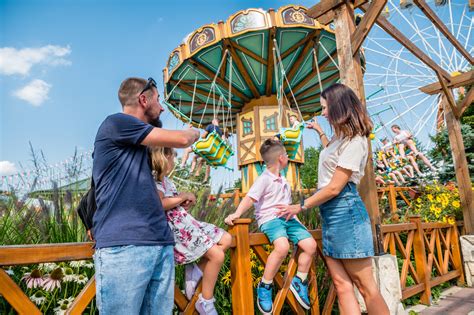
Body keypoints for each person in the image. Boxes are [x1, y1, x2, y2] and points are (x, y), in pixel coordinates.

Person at [277, 83, 389, 315]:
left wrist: (300, 206)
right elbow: (331, 157)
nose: (324, 112)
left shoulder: (356, 140)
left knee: (366, 287)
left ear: (339, 107)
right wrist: (319, 132)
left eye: (325, 108)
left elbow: (335, 187)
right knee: (342, 286)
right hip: (330, 214)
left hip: (345, 211)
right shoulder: (339, 139)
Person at [92, 77, 200, 314]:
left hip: (159, 243)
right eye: (158, 100)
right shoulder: (117, 123)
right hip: (125, 246)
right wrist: (198, 132)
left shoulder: (138, 145)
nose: (161, 107)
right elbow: (182, 139)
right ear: (143, 99)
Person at [224, 139, 317, 313]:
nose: (288, 158)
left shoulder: (283, 180)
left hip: (288, 218)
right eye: (287, 155)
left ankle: (299, 280)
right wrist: (237, 213)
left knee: (311, 245)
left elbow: (287, 204)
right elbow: (250, 198)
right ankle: (265, 286)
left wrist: (296, 221)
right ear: (281, 158)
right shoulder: (264, 179)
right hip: (270, 219)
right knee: (281, 247)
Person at [150, 147, 232, 315]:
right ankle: (205, 301)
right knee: (217, 255)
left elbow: (170, 202)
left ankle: (197, 271)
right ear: (165, 158)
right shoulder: (156, 180)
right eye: (173, 158)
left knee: (227, 239)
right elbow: (159, 204)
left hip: (186, 223)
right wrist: (181, 197)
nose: (174, 162)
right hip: (179, 230)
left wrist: (182, 201)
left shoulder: (167, 181)